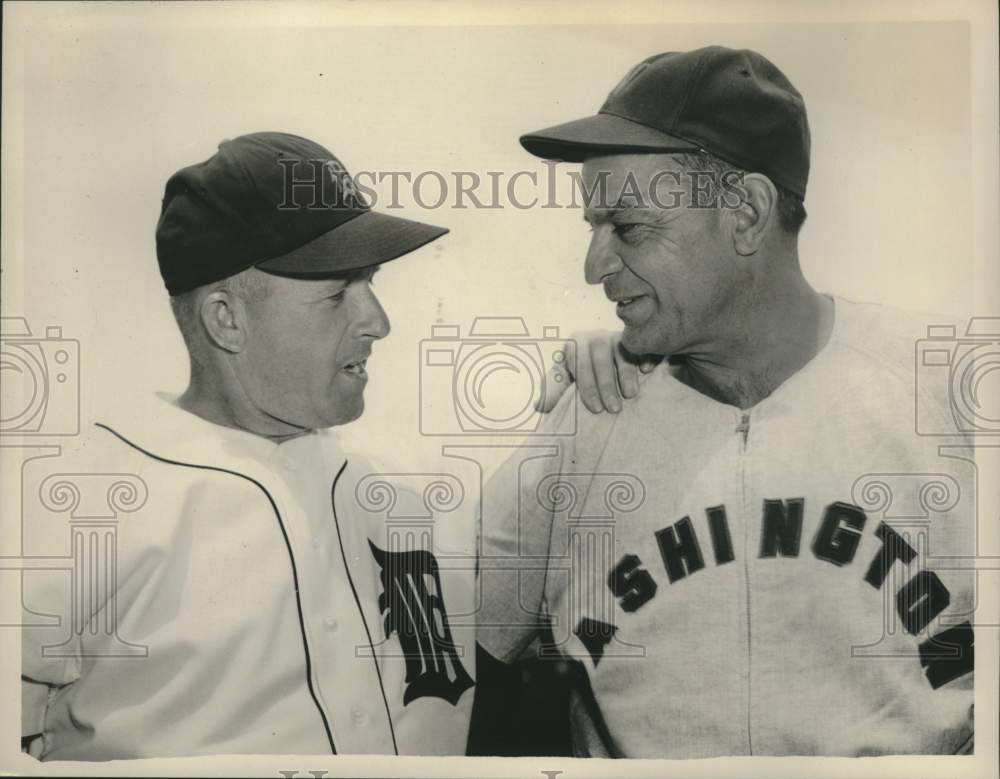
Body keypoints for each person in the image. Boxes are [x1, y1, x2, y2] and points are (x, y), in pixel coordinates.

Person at [19, 131, 632, 759]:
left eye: (369, 282)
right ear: (227, 318)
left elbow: (556, 588)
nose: (379, 321)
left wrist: (628, 370)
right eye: (337, 293)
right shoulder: (72, 509)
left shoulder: (421, 490)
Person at [474, 46, 976, 758]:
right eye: (592, 227)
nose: (593, 266)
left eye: (628, 226)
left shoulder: (943, 393)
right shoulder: (590, 416)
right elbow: (449, 656)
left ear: (744, 212)